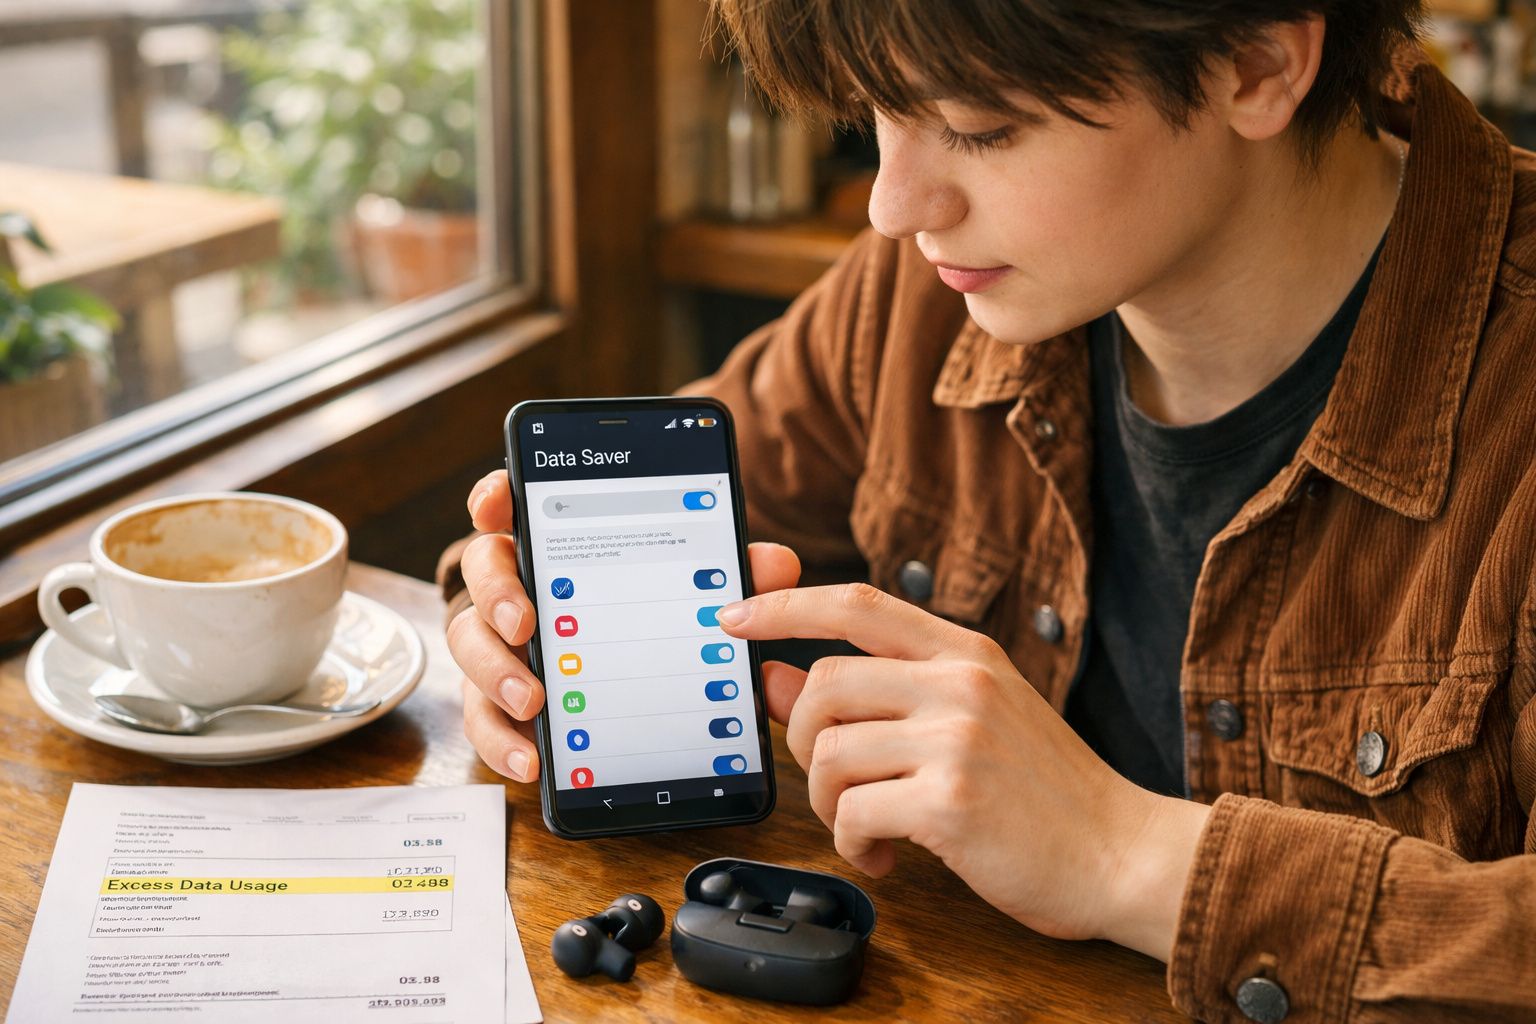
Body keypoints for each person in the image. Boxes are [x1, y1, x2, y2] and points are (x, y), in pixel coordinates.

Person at [439, 1, 1536, 1018]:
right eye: (877, 112)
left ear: (1255, 63)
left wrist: (1121, 853)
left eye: (979, 127)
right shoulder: (927, 290)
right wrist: (511, 614)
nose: (892, 204)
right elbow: (633, 500)